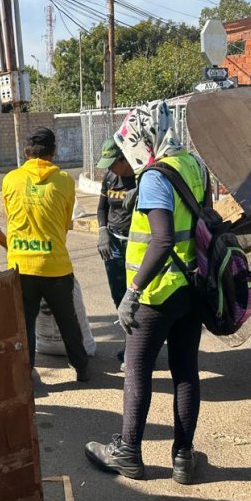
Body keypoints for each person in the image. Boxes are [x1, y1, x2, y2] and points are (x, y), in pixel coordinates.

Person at [85, 102, 208, 485]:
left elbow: (162, 238)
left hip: (157, 293)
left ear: (144, 137)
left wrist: (132, 292)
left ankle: (128, 453)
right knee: (185, 371)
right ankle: (183, 458)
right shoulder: (193, 164)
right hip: (191, 288)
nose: (128, 152)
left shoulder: (156, 176)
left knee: (137, 372)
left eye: (130, 143)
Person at [2, 127, 89, 382]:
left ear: (27, 152)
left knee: (24, 324)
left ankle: (25, 374)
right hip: (55, 266)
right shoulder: (64, 180)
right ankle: (81, 368)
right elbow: (65, 223)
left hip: (20, 265)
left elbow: (9, 216)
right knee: (67, 321)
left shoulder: (10, 179)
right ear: (53, 152)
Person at [95, 138, 136, 369]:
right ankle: (132, 344)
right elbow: (102, 208)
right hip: (113, 243)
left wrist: (139, 193)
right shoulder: (110, 177)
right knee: (119, 296)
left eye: (113, 163)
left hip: (136, 245)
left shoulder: (141, 177)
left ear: (124, 157)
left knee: (136, 298)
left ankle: (136, 349)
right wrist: (102, 231)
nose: (110, 169)